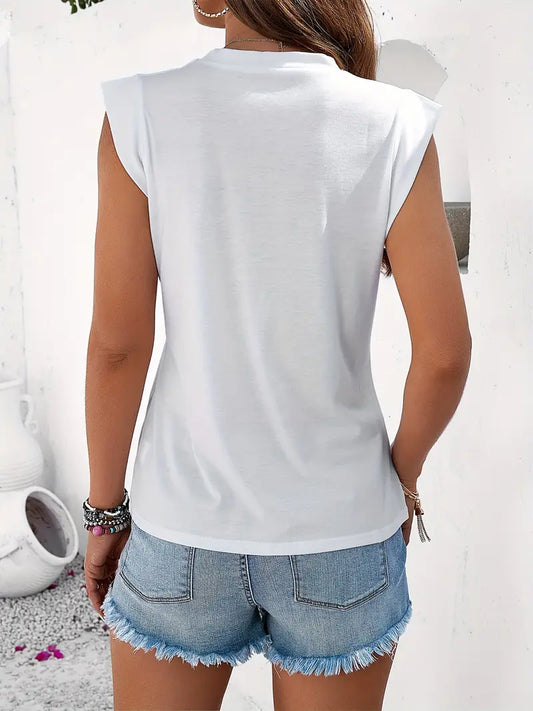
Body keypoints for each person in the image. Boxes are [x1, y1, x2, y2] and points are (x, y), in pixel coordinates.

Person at [83, 1, 472, 709]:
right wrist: (401, 479)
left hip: (183, 525)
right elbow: (444, 354)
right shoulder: (396, 123)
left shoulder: (139, 113)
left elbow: (118, 346)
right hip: (342, 529)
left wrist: (105, 514)